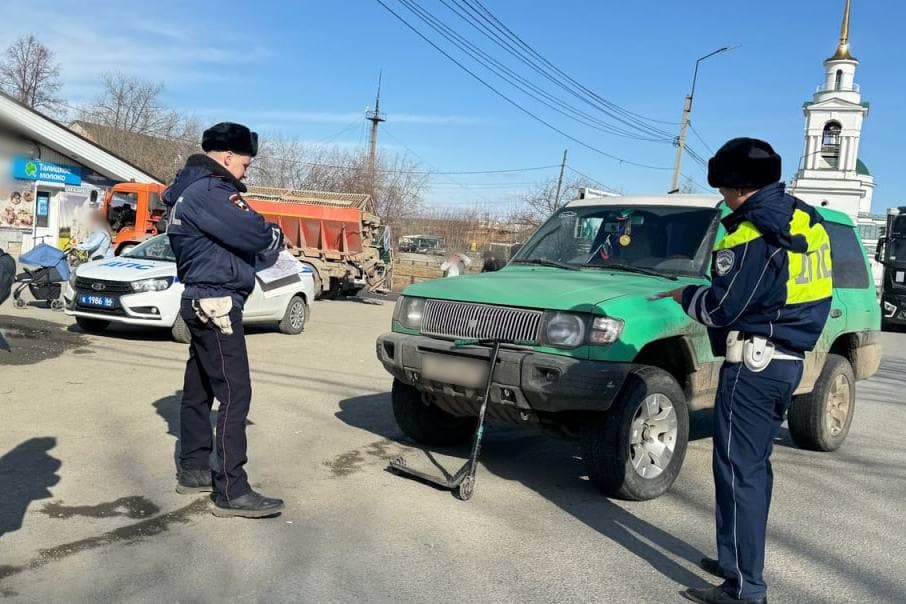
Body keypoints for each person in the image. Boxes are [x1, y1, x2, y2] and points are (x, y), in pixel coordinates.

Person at [655, 138, 833, 604]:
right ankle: (734, 559)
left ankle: (744, 588)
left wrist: (685, 296)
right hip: (786, 359)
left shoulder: (754, 229)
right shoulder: (805, 219)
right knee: (751, 469)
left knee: (739, 472)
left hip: (755, 363)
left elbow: (722, 307)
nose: (721, 197)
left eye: (722, 187)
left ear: (734, 186)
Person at [164, 122, 285, 518]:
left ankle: (195, 467)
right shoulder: (212, 192)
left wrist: (258, 243)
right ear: (228, 155)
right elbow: (255, 233)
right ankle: (232, 489)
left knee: (199, 390)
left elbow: (248, 243)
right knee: (236, 394)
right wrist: (271, 235)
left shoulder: (189, 191)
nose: (246, 172)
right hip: (216, 303)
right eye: (246, 164)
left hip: (202, 300)